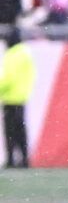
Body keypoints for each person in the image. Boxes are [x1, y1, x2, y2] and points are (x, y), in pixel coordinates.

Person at [0, 32, 33, 167]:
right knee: (21, 131)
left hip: (10, 98)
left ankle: (11, 160)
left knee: (10, 132)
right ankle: (25, 159)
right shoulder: (25, 54)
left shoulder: (13, 55)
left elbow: (8, 79)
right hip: (21, 98)